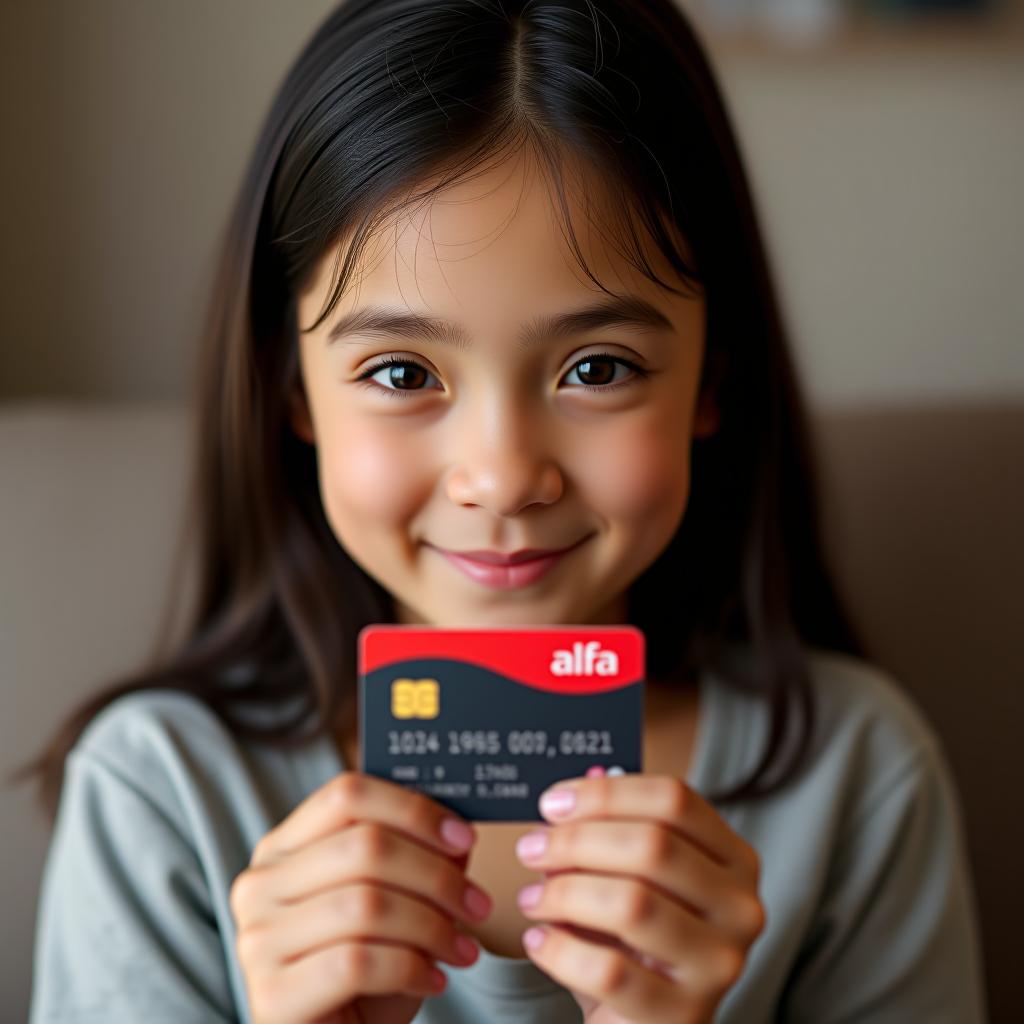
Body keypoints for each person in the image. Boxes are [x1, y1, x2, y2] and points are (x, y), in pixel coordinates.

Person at [15, 1, 988, 1021]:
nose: (503, 474)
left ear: (712, 378)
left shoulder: (855, 777)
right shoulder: (161, 790)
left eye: (597, 367)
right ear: (290, 388)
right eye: (400, 370)